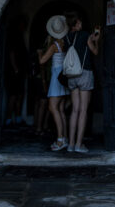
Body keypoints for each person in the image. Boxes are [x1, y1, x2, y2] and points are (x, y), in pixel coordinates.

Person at [65, 12, 101, 153]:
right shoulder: (85, 34)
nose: (81, 24)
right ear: (75, 24)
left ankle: (71, 144)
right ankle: (79, 145)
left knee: (74, 110)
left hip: (71, 75)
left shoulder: (67, 37)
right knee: (83, 110)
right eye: (79, 23)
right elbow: (95, 52)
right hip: (84, 72)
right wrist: (96, 40)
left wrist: (90, 38)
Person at [38, 15, 69, 150]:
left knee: (52, 107)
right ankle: (65, 137)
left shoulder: (54, 45)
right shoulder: (65, 43)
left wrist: (39, 53)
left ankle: (60, 140)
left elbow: (42, 61)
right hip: (63, 76)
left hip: (56, 77)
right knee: (61, 109)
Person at [4, 14, 29, 126]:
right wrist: (15, 68)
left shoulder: (19, 36)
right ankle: (9, 119)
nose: (25, 27)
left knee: (19, 95)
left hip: (18, 70)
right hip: (14, 71)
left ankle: (18, 118)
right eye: (23, 24)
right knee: (14, 95)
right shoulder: (15, 36)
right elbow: (12, 53)